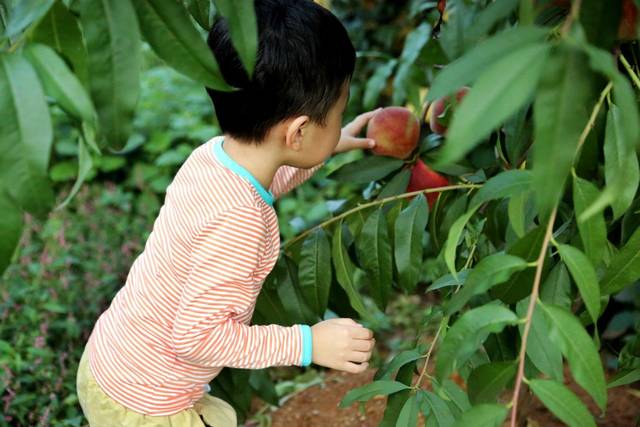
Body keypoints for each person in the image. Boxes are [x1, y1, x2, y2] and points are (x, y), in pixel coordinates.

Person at [76, 0, 378, 425]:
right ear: (298, 132)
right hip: (147, 404)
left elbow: (272, 172)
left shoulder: (214, 158)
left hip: (113, 359)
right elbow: (198, 337)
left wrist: (332, 143)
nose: (340, 119)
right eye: (338, 113)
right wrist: (308, 344)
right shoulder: (240, 221)